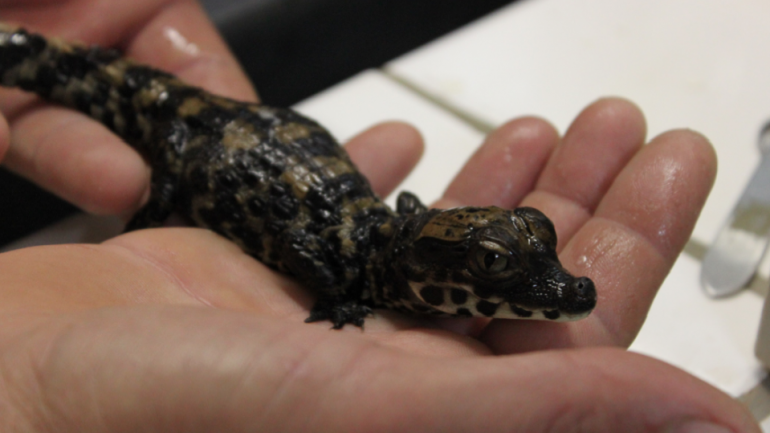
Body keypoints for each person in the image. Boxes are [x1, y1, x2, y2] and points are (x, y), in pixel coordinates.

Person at [0, 1, 760, 431]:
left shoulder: (397, 243)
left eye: (528, 251)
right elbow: (302, 235)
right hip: (201, 139)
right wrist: (338, 297)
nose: (561, 288)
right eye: (495, 265)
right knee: (151, 174)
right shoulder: (355, 259)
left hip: (262, 137)